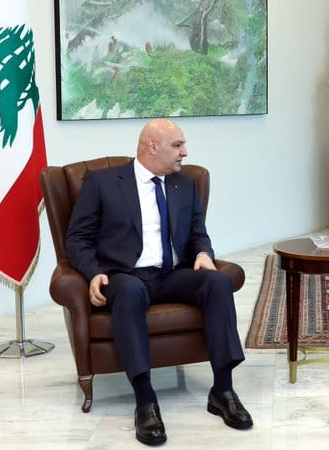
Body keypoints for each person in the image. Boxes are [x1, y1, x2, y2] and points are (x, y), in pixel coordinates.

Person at [66, 119, 253, 446]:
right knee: (130, 291)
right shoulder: (103, 182)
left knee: (218, 283)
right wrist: (94, 271)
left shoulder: (184, 184)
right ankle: (145, 400)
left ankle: (223, 390)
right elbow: (77, 238)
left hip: (171, 274)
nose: (185, 152)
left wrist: (204, 254)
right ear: (152, 146)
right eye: (178, 145)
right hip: (124, 275)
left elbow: (197, 232)